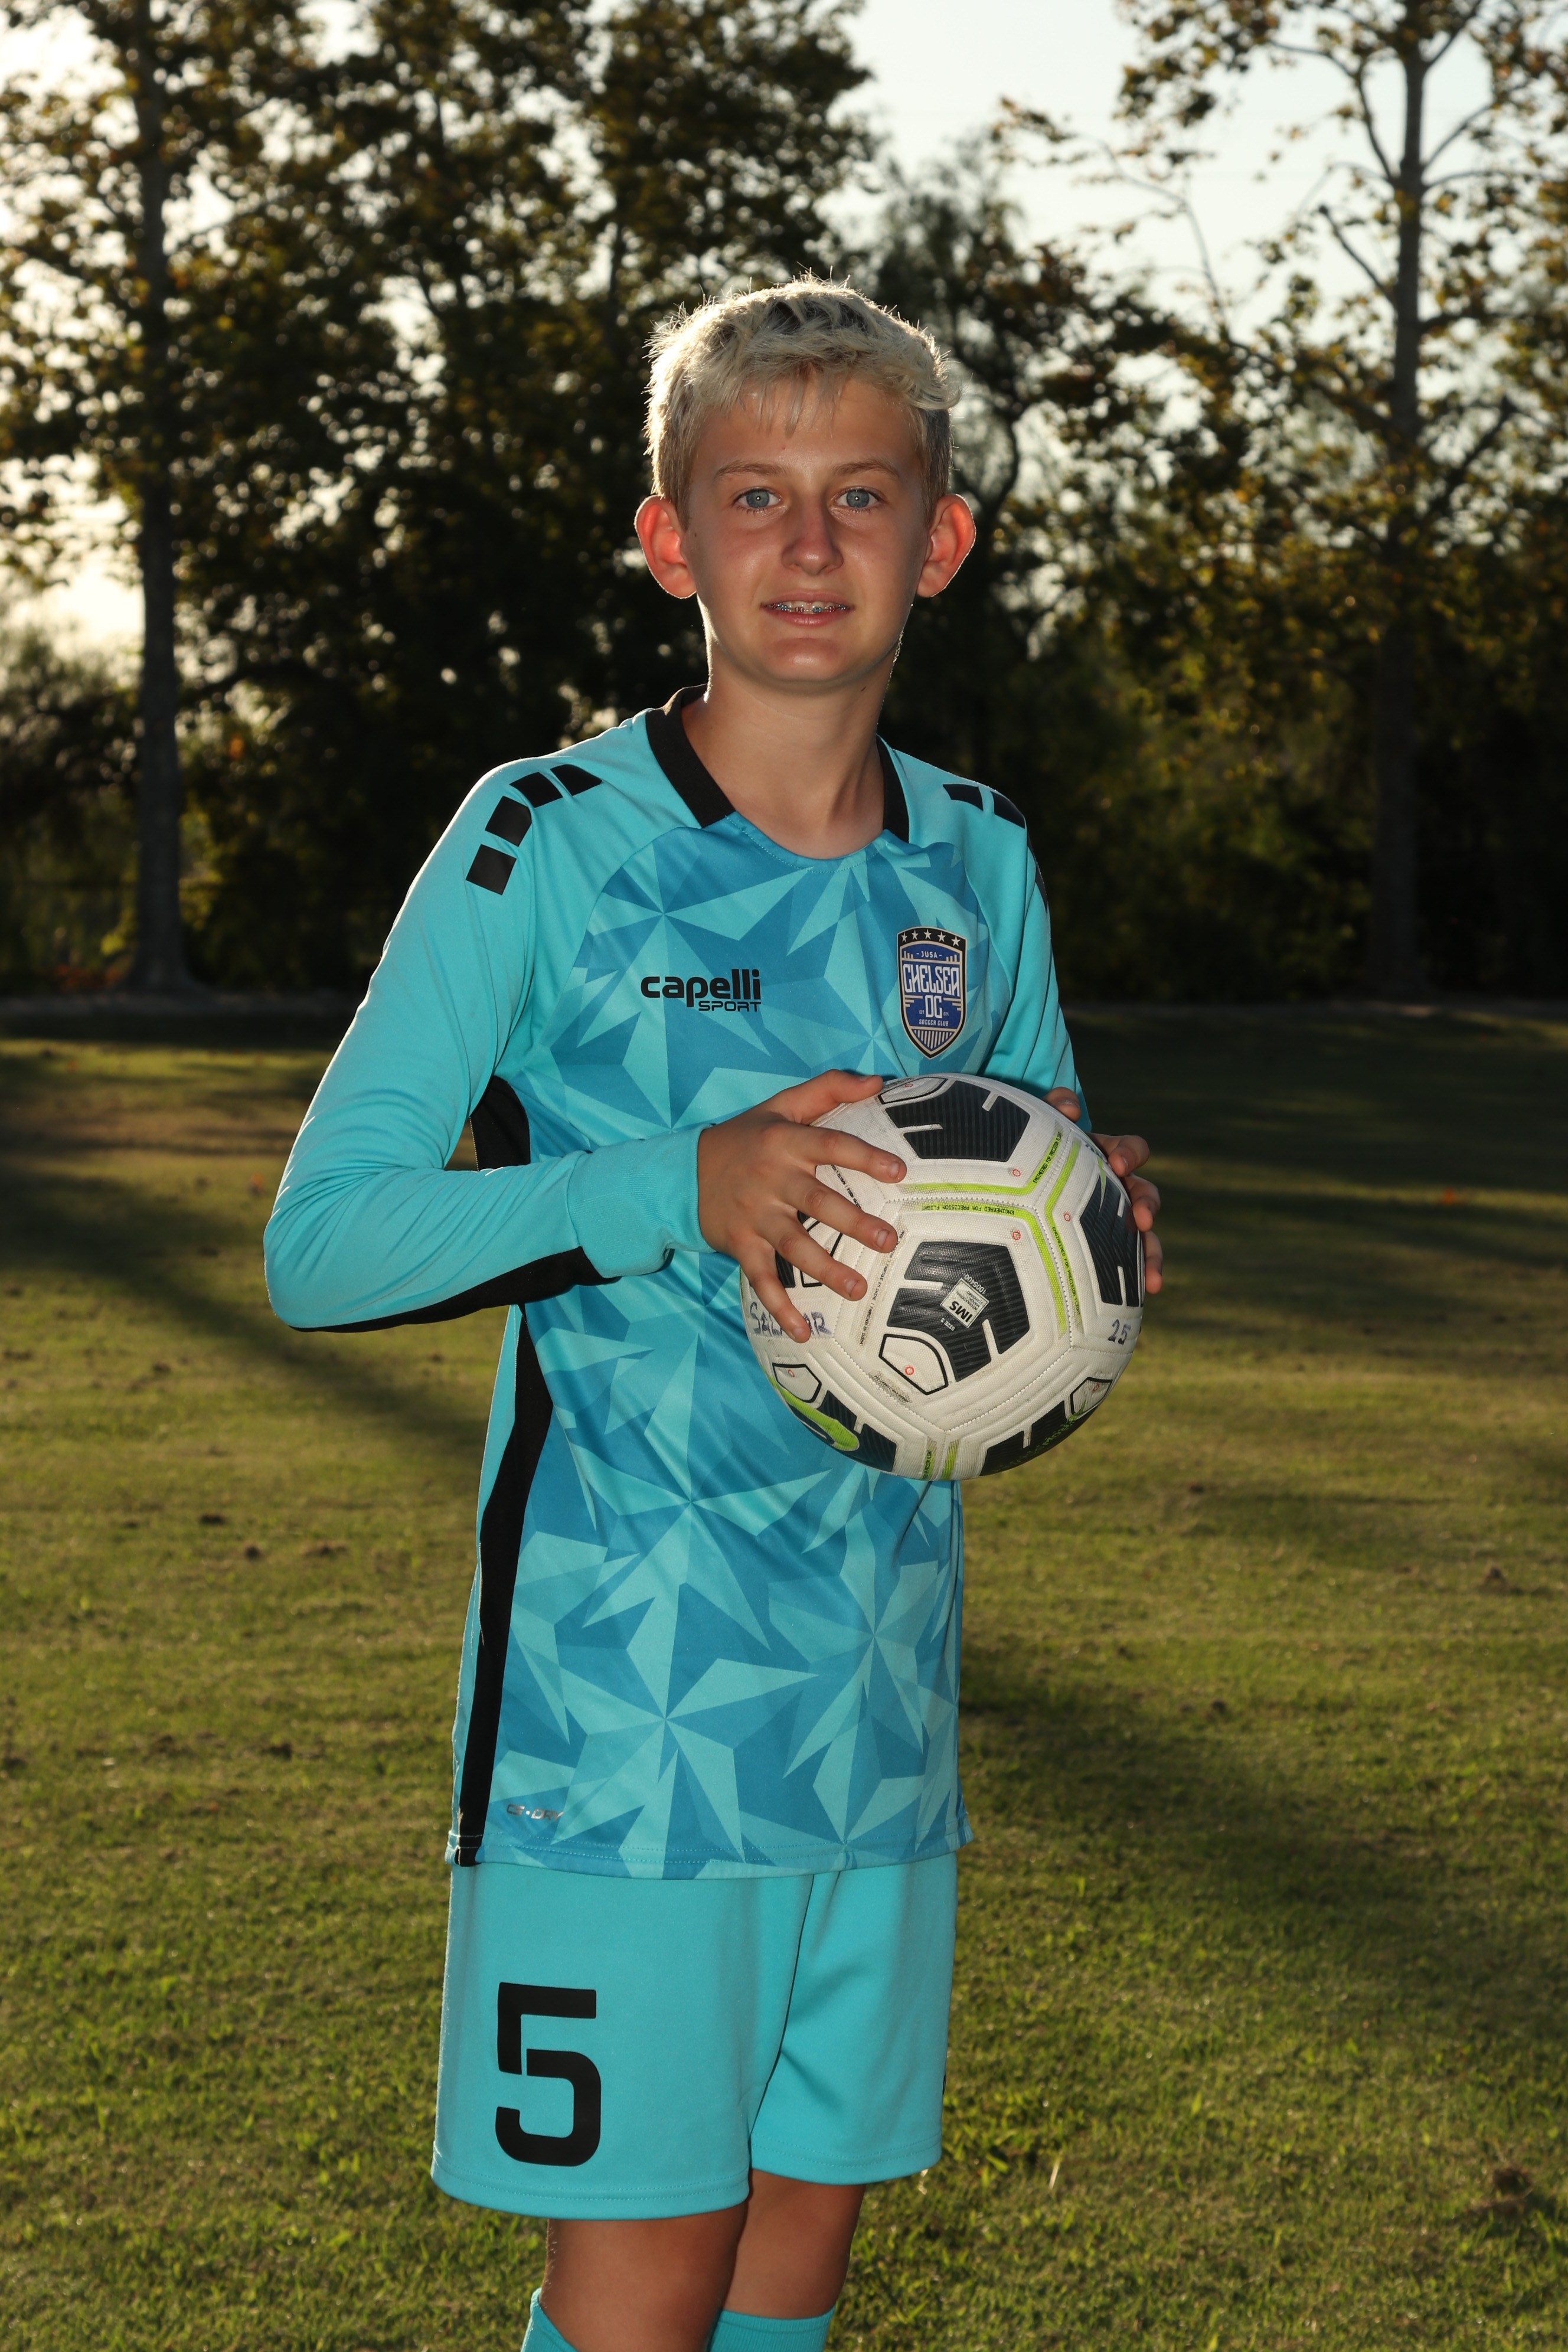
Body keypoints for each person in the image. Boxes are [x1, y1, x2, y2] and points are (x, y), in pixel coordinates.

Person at [264, 280, 1162, 2352]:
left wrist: (1093, 1232)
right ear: (671, 540)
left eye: (863, 494)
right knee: (646, 2284)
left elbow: (1016, 1234)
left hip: (878, 1714)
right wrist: (682, 1188)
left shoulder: (978, 865)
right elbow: (325, 1243)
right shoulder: (548, 839)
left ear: (943, 538)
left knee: (792, 2272)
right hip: (624, 1727)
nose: (810, 542)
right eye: (755, 495)